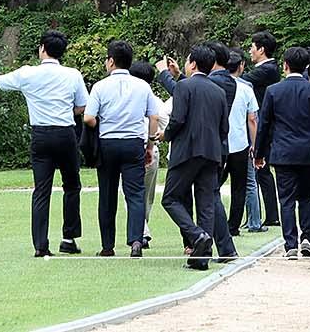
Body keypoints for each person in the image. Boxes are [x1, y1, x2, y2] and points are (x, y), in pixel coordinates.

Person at [0, 30, 88, 257]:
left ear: (41, 49)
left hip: (41, 135)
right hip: (66, 133)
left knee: (42, 190)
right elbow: (81, 107)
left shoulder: (27, 73)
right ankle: (69, 237)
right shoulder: (73, 74)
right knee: (72, 185)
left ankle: (41, 245)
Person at [82, 40, 159, 257]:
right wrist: (150, 144)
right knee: (135, 193)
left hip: (108, 143)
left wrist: (101, 124)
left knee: (107, 195)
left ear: (111, 61)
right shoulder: (142, 86)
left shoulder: (100, 86)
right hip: (134, 142)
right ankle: (135, 241)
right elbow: (153, 116)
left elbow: (88, 117)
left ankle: (108, 246)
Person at [256, 46, 310, 259]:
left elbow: (264, 125)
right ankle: (307, 237)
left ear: (285, 66)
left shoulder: (273, 91)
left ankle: (290, 244)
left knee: (286, 199)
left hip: (283, 152)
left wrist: (259, 153)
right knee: (308, 197)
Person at [160, 44, 230, 269]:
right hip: (212, 152)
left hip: (187, 151)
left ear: (192, 64)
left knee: (170, 198)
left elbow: (178, 119)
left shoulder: (183, 87)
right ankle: (203, 256)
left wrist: (165, 135)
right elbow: (224, 128)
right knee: (206, 203)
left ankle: (197, 235)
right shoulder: (219, 91)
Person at [244, 31, 282, 228]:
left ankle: (271, 215)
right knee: (260, 171)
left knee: (262, 169)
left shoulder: (267, 69)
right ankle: (266, 214)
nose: (250, 50)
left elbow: (242, 80)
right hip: (261, 124)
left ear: (261, 49)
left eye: (252, 46)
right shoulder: (267, 68)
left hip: (263, 125)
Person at [129, 60, 166, 246]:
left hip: (133, 148)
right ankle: (142, 231)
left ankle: (141, 232)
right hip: (151, 149)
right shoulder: (157, 100)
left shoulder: (128, 95)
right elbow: (166, 124)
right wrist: (159, 137)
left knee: (133, 194)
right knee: (146, 196)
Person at [224, 52, 258, 237]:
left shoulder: (217, 85)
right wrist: (254, 144)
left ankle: (215, 221)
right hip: (240, 143)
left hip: (220, 144)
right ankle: (233, 225)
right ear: (241, 66)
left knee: (212, 185)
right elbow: (252, 119)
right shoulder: (245, 89)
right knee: (239, 187)